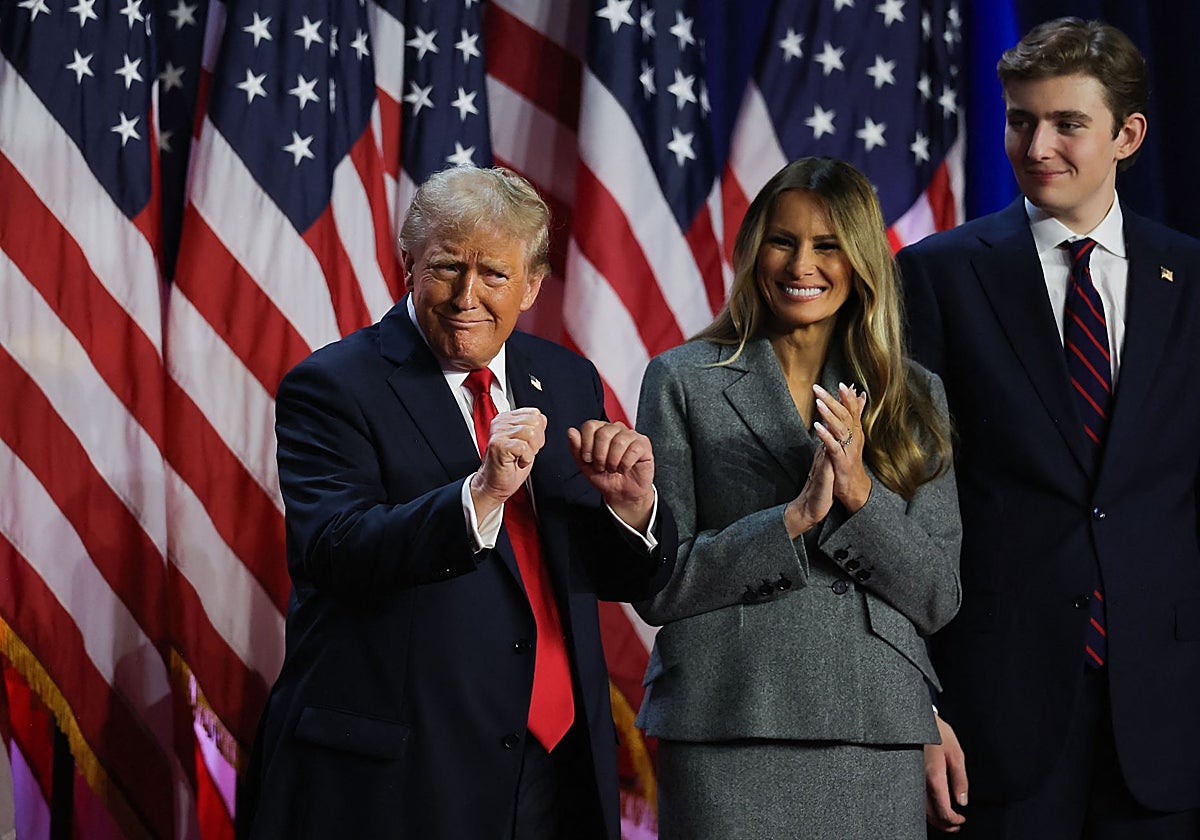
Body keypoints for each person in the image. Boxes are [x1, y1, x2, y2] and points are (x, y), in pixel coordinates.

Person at [238, 166, 677, 840]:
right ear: (409, 264)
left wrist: (630, 508)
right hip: (404, 777)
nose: (466, 296)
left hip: (556, 768)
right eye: (446, 267)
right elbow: (333, 550)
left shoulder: (563, 377)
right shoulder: (331, 386)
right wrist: (481, 495)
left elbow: (610, 576)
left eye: (494, 275)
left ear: (531, 284)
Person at [899, 17, 1200, 839]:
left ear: (1127, 135)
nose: (1037, 146)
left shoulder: (1191, 277)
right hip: (997, 716)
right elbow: (905, 507)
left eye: (1067, 123)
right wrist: (920, 705)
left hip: (1168, 717)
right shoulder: (938, 274)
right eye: (1020, 119)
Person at [633, 156, 962, 839]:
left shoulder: (913, 395)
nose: (800, 263)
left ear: (862, 258)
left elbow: (938, 594)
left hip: (874, 730)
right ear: (756, 250)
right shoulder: (681, 380)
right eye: (782, 240)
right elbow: (659, 586)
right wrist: (790, 521)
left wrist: (860, 494)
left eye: (827, 244)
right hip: (728, 718)